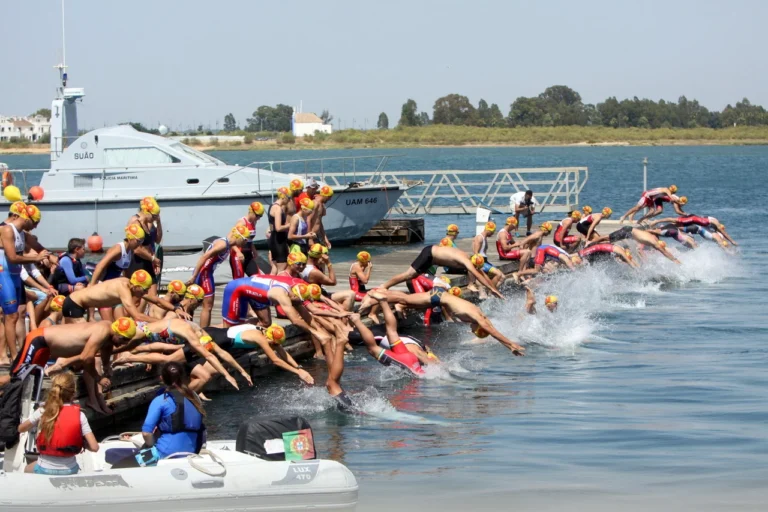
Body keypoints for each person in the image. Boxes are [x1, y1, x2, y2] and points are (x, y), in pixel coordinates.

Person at [3, 318, 136, 414]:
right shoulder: (103, 331)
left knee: (31, 381)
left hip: (46, 348)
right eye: (124, 340)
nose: (124, 344)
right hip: (38, 340)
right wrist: (98, 378)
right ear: (117, 333)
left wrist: (107, 367)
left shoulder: (109, 331)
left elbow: (107, 349)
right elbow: (86, 358)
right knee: (16, 378)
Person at [362, 289, 525, 355]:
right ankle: (374, 295)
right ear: (478, 328)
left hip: (438, 298)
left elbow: (491, 328)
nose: (472, 328)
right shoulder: (479, 319)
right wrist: (510, 345)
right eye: (475, 330)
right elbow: (493, 332)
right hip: (438, 297)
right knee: (402, 298)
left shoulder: (479, 317)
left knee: (405, 301)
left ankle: (384, 299)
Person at [112, 363, 205, 468]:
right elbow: (202, 433)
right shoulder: (194, 398)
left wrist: (149, 447)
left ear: (162, 378)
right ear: (183, 377)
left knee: (118, 466)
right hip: (190, 451)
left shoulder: (161, 400)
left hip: (164, 453)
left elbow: (146, 433)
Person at [112, 318, 241, 392]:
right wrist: (227, 375)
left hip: (161, 339)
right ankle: (125, 356)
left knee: (204, 375)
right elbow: (209, 356)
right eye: (198, 349)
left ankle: (185, 397)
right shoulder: (189, 335)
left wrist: (240, 372)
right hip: (149, 332)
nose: (198, 351)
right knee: (167, 358)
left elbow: (220, 353)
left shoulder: (201, 339)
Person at [17, 371, 99, 474]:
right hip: (70, 470)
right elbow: (94, 447)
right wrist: (82, 444)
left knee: (26, 470)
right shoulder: (80, 415)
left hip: (44, 468)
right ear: (73, 393)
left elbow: (21, 429)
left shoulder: (43, 411)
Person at [0, 202, 50, 365]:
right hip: (4, 274)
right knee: (10, 315)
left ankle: (16, 353)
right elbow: (13, 258)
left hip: (15, 276)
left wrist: (53, 258)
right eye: (34, 223)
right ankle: (13, 355)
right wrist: (36, 258)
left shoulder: (23, 233)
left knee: (18, 313)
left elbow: (39, 247)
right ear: (26, 218)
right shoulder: (7, 229)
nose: (35, 227)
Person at [380, 244, 504, 299]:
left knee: (413, 276)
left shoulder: (468, 257)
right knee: (409, 274)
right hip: (429, 255)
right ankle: (384, 286)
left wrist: (493, 288)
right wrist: (492, 290)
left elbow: (480, 273)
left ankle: (388, 287)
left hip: (433, 257)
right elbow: (477, 274)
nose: (474, 268)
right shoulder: (465, 260)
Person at [205, 323, 315, 384]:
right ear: (268, 337)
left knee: (214, 370)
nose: (273, 346)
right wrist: (297, 372)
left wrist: (299, 367)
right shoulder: (259, 337)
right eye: (272, 343)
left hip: (218, 336)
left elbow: (282, 352)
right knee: (208, 372)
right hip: (214, 338)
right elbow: (275, 360)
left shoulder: (266, 331)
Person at [188, 225, 251, 328]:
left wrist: (238, 251)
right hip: (204, 273)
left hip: (205, 273)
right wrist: (194, 276)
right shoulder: (222, 245)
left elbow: (233, 234)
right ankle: (204, 332)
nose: (245, 244)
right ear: (239, 238)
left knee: (194, 304)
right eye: (244, 240)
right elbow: (204, 256)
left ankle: (194, 329)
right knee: (207, 306)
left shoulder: (228, 241)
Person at [63, 270, 174, 324]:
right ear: (136, 286)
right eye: (144, 289)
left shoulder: (132, 286)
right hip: (74, 303)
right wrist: (164, 323)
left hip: (78, 304)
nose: (145, 292)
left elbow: (156, 300)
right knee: (85, 340)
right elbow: (137, 317)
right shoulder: (123, 288)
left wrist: (176, 309)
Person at [127, 197, 163, 302]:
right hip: (136, 261)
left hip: (148, 260)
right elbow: (136, 249)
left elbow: (157, 240)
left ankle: (148, 317)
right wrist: (153, 259)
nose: (155, 218)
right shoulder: (135, 221)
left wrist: (159, 222)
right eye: (155, 216)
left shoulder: (150, 222)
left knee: (153, 297)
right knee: (137, 299)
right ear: (146, 212)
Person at [300, 245, 356, 311]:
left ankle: (344, 316)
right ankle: (344, 316)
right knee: (350, 295)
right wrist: (328, 263)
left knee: (350, 294)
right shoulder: (314, 272)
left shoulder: (303, 266)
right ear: (319, 257)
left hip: (316, 294)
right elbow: (333, 282)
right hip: (317, 298)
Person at [591, 226, 681, 263]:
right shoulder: (654, 243)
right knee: (606, 238)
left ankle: (594, 244)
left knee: (608, 240)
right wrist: (674, 260)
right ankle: (590, 243)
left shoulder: (652, 238)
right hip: (628, 231)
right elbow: (664, 252)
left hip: (630, 231)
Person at [651, 215, 737, 246]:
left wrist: (731, 242)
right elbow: (724, 234)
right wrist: (731, 242)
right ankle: (658, 222)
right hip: (694, 222)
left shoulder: (712, 222)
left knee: (676, 225)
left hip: (695, 223)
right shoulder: (716, 226)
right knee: (675, 223)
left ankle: (659, 225)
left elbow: (723, 235)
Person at [231, 202, 265, 279]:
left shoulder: (254, 222)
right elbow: (231, 241)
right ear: (251, 211)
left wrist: (254, 250)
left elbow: (249, 239)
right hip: (238, 255)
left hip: (248, 254)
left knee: (257, 278)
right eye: (257, 216)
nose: (258, 218)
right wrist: (238, 252)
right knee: (239, 281)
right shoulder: (241, 223)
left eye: (260, 216)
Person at [266, 187, 292, 273]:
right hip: (278, 241)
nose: (289, 201)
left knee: (274, 267)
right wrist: (290, 225)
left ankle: (270, 285)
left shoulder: (271, 206)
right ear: (284, 197)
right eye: (289, 198)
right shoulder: (278, 209)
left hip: (273, 240)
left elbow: (272, 226)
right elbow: (278, 228)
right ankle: (278, 286)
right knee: (282, 267)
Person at [309, 184, 333, 249]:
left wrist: (325, 239)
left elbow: (319, 223)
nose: (329, 200)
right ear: (326, 196)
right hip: (311, 236)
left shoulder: (321, 205)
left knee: (323, 255)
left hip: (317, 236)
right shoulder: (315, 204)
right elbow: (308, 220)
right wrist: (309, 238)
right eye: (329, 197)